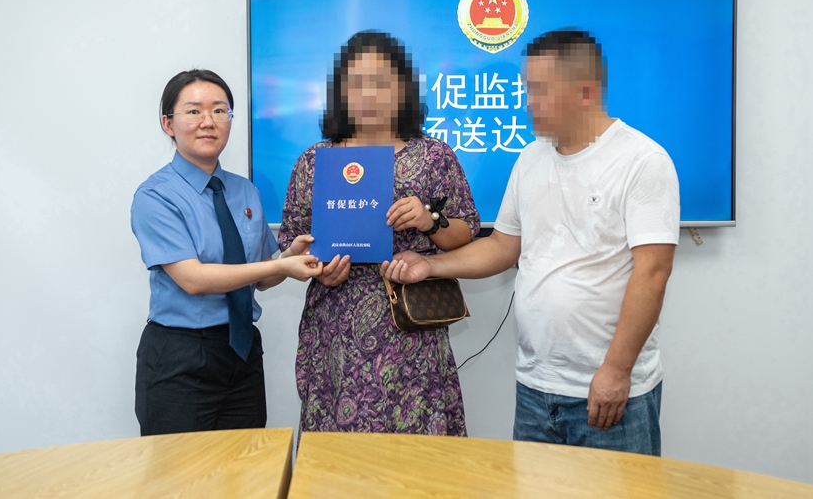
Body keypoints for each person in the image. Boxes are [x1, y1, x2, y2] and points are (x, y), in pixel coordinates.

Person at [382, 30, 680, 456]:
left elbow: (653, 272)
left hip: (608, 389)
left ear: (585, 92)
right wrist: (429, 267)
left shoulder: (643, 161)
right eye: (527, 88)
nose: (528, 102)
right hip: (536, 388)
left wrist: (616, 370)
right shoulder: (531, 158)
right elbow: (504, 247)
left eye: (540, 90)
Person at [278, 31, 480, 436]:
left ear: (403, 89)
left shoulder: (434, 156)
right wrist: (317, 268)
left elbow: (465, 232)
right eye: (356, 83)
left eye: (381, 82)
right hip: (336, 331)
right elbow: (292, 244)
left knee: (417, 453)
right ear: (340, 92)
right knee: (338, 455)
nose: (369, 94)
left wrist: (429, 220)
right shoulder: (314, 161)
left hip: (413, 332)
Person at [131, 69, 321, 436]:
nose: (208, 121)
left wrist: (286, 258)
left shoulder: (245, 190)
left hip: (242, 353)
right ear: (168, 124)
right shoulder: (155, 196)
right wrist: (279, 266)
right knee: (181, 470)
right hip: (181, 356)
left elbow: (261, 277)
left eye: (220, 110)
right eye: (194, 111)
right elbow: (193, 279)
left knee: (248, 465)